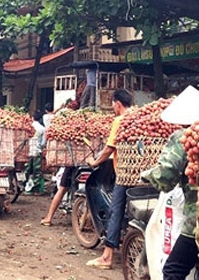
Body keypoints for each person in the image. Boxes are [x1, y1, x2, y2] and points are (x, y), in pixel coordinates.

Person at [141, 85, 199, 280]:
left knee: (173, 270)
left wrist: (147, 175)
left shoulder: (184, 138)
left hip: (196, 223)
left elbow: (165, 177)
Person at [84, 89, 132, 269]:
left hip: (125, 175)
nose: (113, 107)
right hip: (143, 176)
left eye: (112, 104)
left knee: (115, 212)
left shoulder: (120, 121)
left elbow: (109, 148)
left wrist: (95, 162)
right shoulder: (136, 118)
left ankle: (107, 256)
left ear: (117, 104)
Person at [24, 110, 46, 195]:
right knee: (37, 171)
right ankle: (36, 190)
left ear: (32, 118)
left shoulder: (28, 127)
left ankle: (24, 186)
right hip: (37, 151)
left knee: (27, 170)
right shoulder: (42, 129)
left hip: (27, 151)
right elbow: (43, 143)